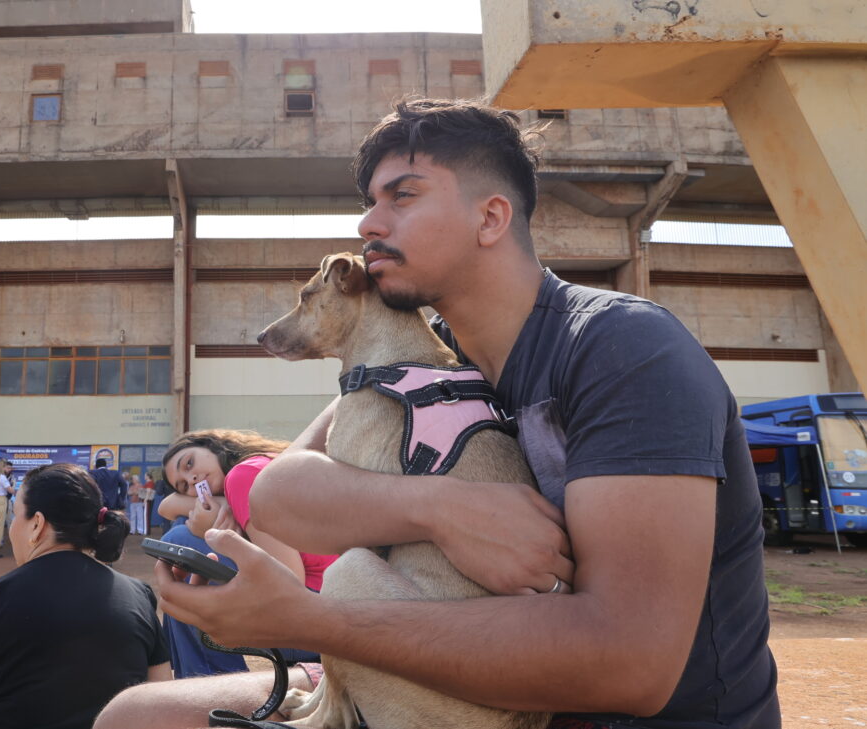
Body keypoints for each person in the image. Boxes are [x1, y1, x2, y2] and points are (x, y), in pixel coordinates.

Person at [103, 98, 780, 729]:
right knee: (134, 715)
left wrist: (311, 619)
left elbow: (630, 664)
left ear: (490, 218)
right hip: (444, 670)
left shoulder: (621, 350)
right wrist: (442, 507)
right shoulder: (427, 360)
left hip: (595, 708)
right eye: (370, 202)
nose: (369, 224)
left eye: (403, 196)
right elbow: (280, 491)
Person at [0, 463, 169, 729]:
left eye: (16, 515)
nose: (12, 527)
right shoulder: (139, 596)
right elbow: (163, 703)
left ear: (37, 524)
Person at [158, 429, 333, 678]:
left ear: (211, 445)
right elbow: (167, 506)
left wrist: (224, 535)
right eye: (184, 485)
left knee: (180, 541)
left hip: (315, 619)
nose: (193, 478)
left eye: (189, 463)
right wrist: (224, 506)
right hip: (329, 604)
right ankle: (199, 678)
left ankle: (210, 687)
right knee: (182, 534)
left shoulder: (243, 476)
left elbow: (290, 582)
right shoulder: (262, 463)